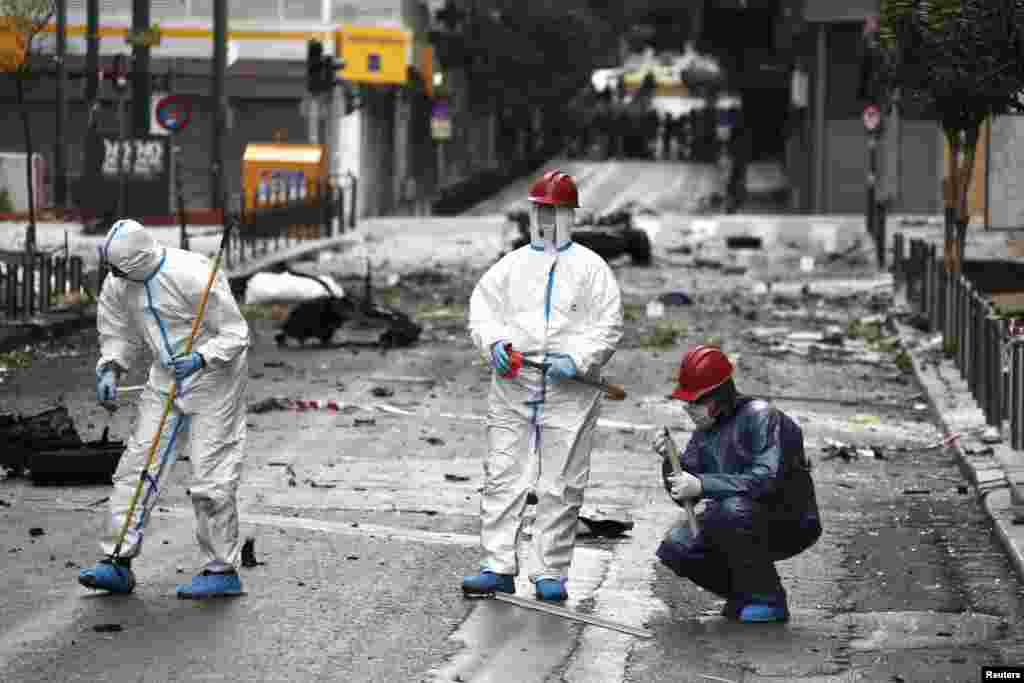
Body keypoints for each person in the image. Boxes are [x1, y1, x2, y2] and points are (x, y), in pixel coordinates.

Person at [463, 169, 623, 602]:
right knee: (503, 475)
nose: (546, 220)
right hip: (514, 383)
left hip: (570, 388)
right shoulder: (510, 267)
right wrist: (494, 343)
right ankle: (496, 565)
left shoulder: (592, 270)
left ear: (571, 216)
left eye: (554, 212)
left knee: (562, 481)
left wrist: (578, 359)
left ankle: (550, 570)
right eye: (540, 211)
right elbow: (483, 311)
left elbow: (608, 325)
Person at [79, 219, 251, 599]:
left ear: (138, 260)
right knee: (138, 465)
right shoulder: (119, 283)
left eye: (119, 268)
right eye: (111, 268)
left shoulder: (194, 275)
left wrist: (203, 358)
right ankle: (116, 561)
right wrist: (111, 366)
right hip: (165, 377)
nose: (114, 275)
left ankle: (222, 568)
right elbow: (118, 331)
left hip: (214, 381)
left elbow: (236, 334)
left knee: (211, 473)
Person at [652, 345, 821, 623]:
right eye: (687, 402)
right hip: (735, 517)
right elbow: (688, 495)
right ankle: (745, 592)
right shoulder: (705, 432)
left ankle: (768, 597)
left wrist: (703, 485)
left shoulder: (762, 417)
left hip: (786, 518)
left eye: (696, 402)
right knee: (676, 547)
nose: (689, 409)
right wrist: (670, 460)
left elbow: (768, 480)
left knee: (733, 509)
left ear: (718, 397)